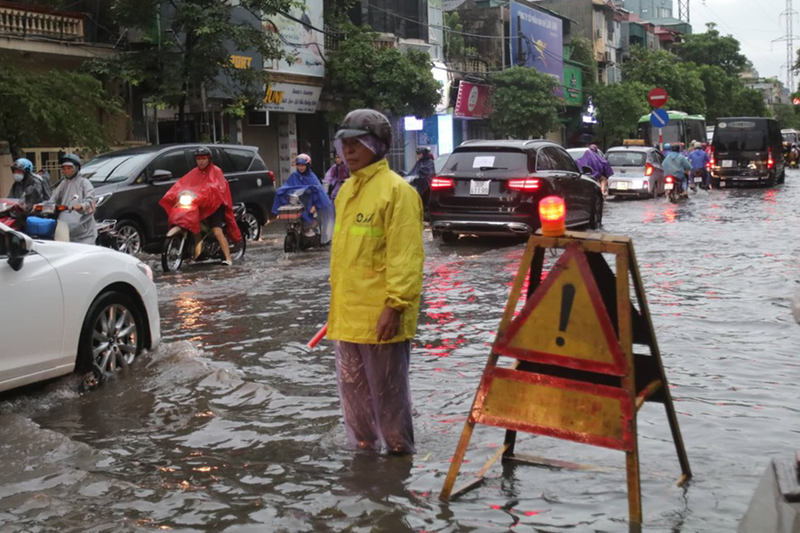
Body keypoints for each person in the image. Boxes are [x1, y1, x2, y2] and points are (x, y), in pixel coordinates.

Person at [328, 109, 424, 455]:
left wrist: (395, 305)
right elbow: (345, 260)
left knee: (391, 407)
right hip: (347, 319)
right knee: (357, 413)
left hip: (382, 319)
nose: (349, 151)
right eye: (345, 144)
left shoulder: (398, 192)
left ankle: (398, 472)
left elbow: (406, 255)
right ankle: (365, 471)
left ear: (377, 146)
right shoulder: (345, 191)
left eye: (358, 143)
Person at [158, 147, 241, 265]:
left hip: (215, 205)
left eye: (203, 159)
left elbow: (216, 186)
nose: (201, 161)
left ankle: (228, 258)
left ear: (209, 159)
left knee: (217, 230)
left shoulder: (216, 171)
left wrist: (204, 194)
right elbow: (181, 184)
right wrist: (174, 194)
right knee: (188, 224)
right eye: (198, 159)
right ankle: (191, 253)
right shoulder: (193, 173)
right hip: (198, 204)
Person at [272, 154, 334, 243]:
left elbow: (319, 193)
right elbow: (287, 187)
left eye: (303, 165)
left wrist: (315, 206)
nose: (301, 167)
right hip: (297, 204)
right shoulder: (294, 176)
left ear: (307, 165)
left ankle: (318, 235)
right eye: (299, 165)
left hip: (310, 206)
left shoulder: (312, 177)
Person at [49, 154, 97, 244]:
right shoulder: (63, 184)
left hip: (83, 229)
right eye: (64, 168)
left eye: (69, 168)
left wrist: (81, 206)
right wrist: (44, 205)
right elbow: (53, 197)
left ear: (76, 168)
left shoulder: (84, 182)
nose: (66, 171)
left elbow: (90, 200)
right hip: (64, 225)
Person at [8, 158, 48, 226]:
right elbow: (10, 199)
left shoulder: (34, 182)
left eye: (19, 171)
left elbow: (29, 203)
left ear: (26, 171)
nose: (16, 174)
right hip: (20, 215)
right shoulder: (16, 184)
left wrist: (20, 207)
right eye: (15, 171)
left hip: (35, 216)